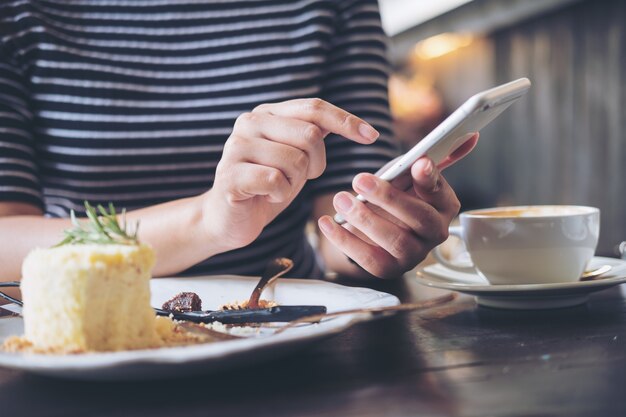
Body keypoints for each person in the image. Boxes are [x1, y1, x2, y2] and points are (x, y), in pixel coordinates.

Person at [0, 0, 476, 281]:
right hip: (89, 334)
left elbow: (341, 226)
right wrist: (208, 223)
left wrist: (380, 235)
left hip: (290, 329)